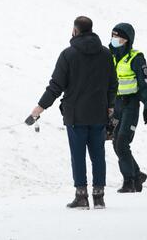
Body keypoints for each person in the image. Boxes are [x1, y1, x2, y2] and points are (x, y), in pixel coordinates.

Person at [30, 16, 118, 210]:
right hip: (99, 114)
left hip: (76, 115)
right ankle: (99, 197)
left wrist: (40, 108)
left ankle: (81, 197)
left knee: (78, 156)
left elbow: (55, 87)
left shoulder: (68, 55)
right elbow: (113, 84)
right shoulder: (105, 54)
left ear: (75, 30)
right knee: (98, 155)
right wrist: (110, 105)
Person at [108, 23, 147, 193]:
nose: (114, 39)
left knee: (122, 143)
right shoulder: (111, 56)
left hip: (131, 104)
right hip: (117, 104)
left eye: (117, 36)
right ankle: (137, 174)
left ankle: (130, 182)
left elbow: (146, 85)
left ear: (126, 40)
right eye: (112, 35)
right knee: (116, 143)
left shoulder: (136, 58)